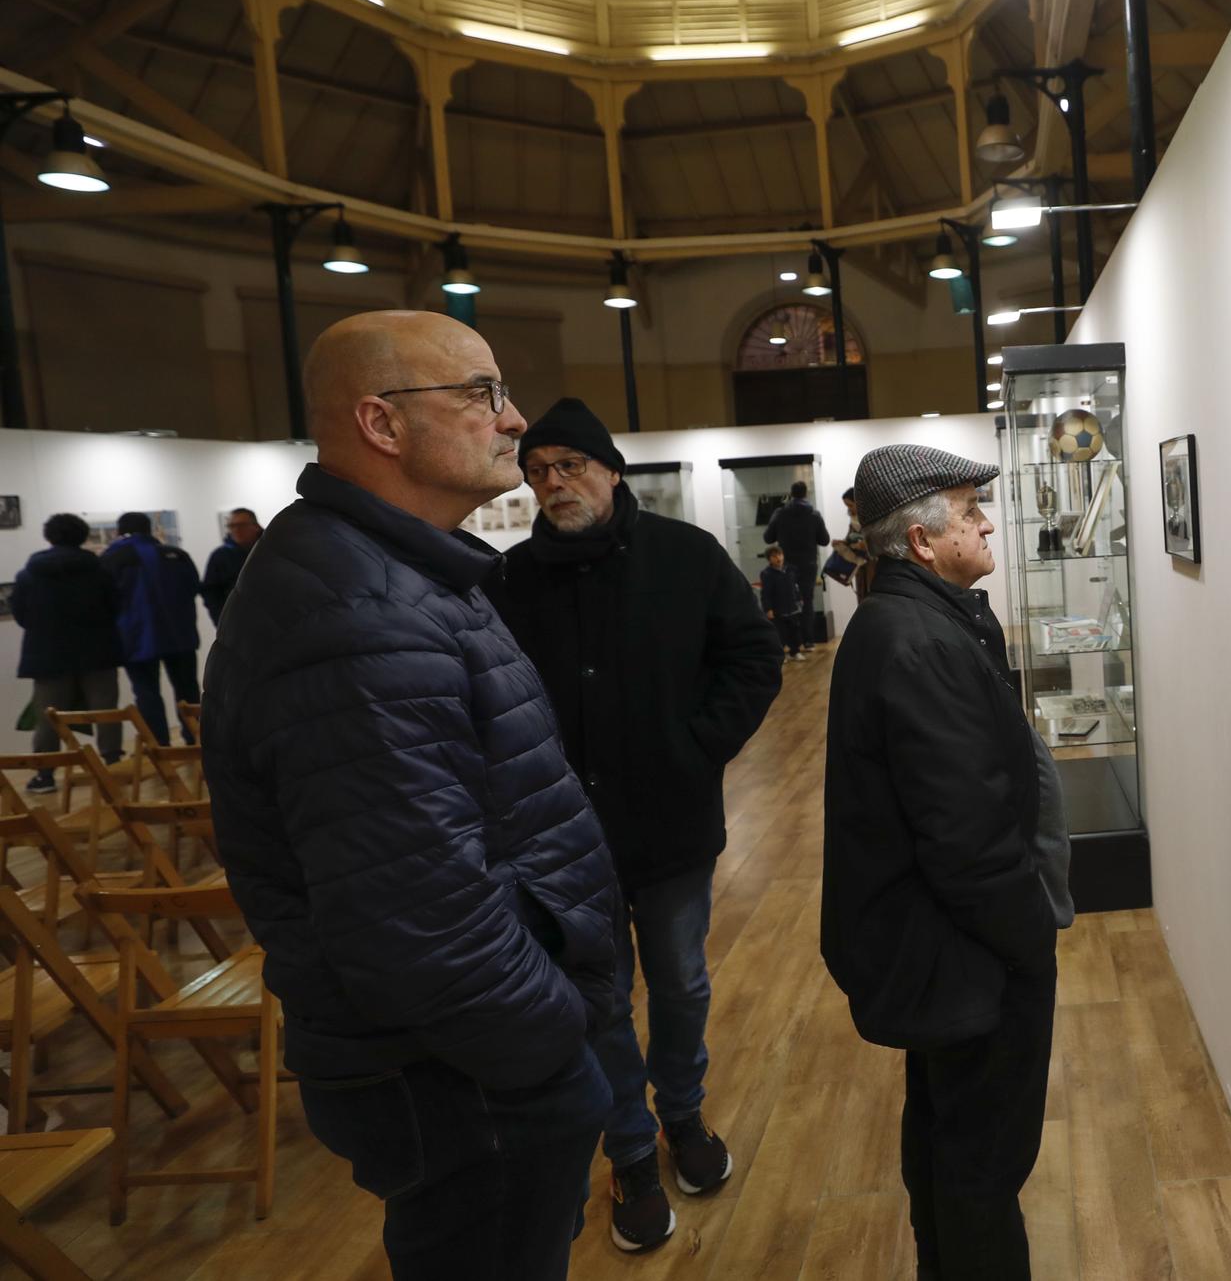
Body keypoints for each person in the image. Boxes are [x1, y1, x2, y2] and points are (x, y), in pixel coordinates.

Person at [202, 311, 621, 1280]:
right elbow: (415, 918)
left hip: (470, 1070)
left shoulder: (390, 572)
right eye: (480, 394)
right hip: (466, 1080)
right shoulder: (351, 610)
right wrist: (554, 1048)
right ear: (380, 424)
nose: (512, 419)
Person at [484, 397, 781, 1253]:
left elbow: (752, 658)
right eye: (538, 471)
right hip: (559, 841)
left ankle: (682, 1115)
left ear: (611, 469)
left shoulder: (684, 557)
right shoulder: (509, 581)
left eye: (569, 466)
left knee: (682, 982)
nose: (552, 484)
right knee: (603, 1001)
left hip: (669, 825)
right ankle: (631, 1151)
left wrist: (695, 747)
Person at [823, 445, 1070, 1280]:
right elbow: (965, 836)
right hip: (966, 956)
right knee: (979, 1169)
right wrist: (1031, 935)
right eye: (969, 510)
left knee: (950, 1139)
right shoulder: (915, 639)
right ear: (923, 542)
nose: (987, 520)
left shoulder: (924, 618)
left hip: (947, 950)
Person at [12, 512, 124, 791]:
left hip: (48, 654)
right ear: (83, 536)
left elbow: (22, 615)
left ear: (49, 536)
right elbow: (115, 608)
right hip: (98, 652)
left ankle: (45, 775)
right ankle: (113, 766)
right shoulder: (99, 571)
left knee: (49, 717)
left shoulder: (30, 574)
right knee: (105, 713)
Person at [101, 512, 202, 745]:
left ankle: (159, 747)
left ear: (119, 531)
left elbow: (106, 599)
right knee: (188, 690)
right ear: (149, 530)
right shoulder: (176, 555)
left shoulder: (112, 558)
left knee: (146, 694)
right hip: (181, 635)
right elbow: (193, 587)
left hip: (135, 639)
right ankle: (197, 740)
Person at [763, 481, 830, 649]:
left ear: (791, 494)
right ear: (806, 494)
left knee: (785, 601)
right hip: (808, 564)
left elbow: (768, 538)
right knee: (807, 601)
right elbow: (824, 540)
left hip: (784, 566)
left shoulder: (780, 513)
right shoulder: (814, 514)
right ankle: (808, 640)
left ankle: (790, 642)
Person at [201, 508, 263, 624]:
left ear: (255, 526)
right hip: (238, 625)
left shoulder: (270, 551)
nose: (236, 530)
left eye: (241, 525)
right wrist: (222, 622)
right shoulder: (220, 556)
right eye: (232, 526)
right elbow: (211, 592)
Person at [761, 546, 805, 661]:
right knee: (780, 634)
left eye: (780, 555)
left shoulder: (791, 569)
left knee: (794, 631)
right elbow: (765, 593)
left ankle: (795, 652)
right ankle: (781, 655)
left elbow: (796, 587)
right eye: (774, 556)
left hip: (792, 607)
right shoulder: (766, 574)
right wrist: (768, 609)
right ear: (769, 559)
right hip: (778, 609)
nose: (778, 558)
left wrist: (800, 599)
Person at [829, 486, 872, 599]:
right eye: (847, 506)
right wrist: (842, 542)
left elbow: (879, 539)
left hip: (872, 565)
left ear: (858, 502)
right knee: (863, 596)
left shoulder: (871, 518)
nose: (849, 509)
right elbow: (850, 539)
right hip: (859, 564)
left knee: (872, 593)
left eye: (850, 505)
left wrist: (865, 545)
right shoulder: (853, 519)